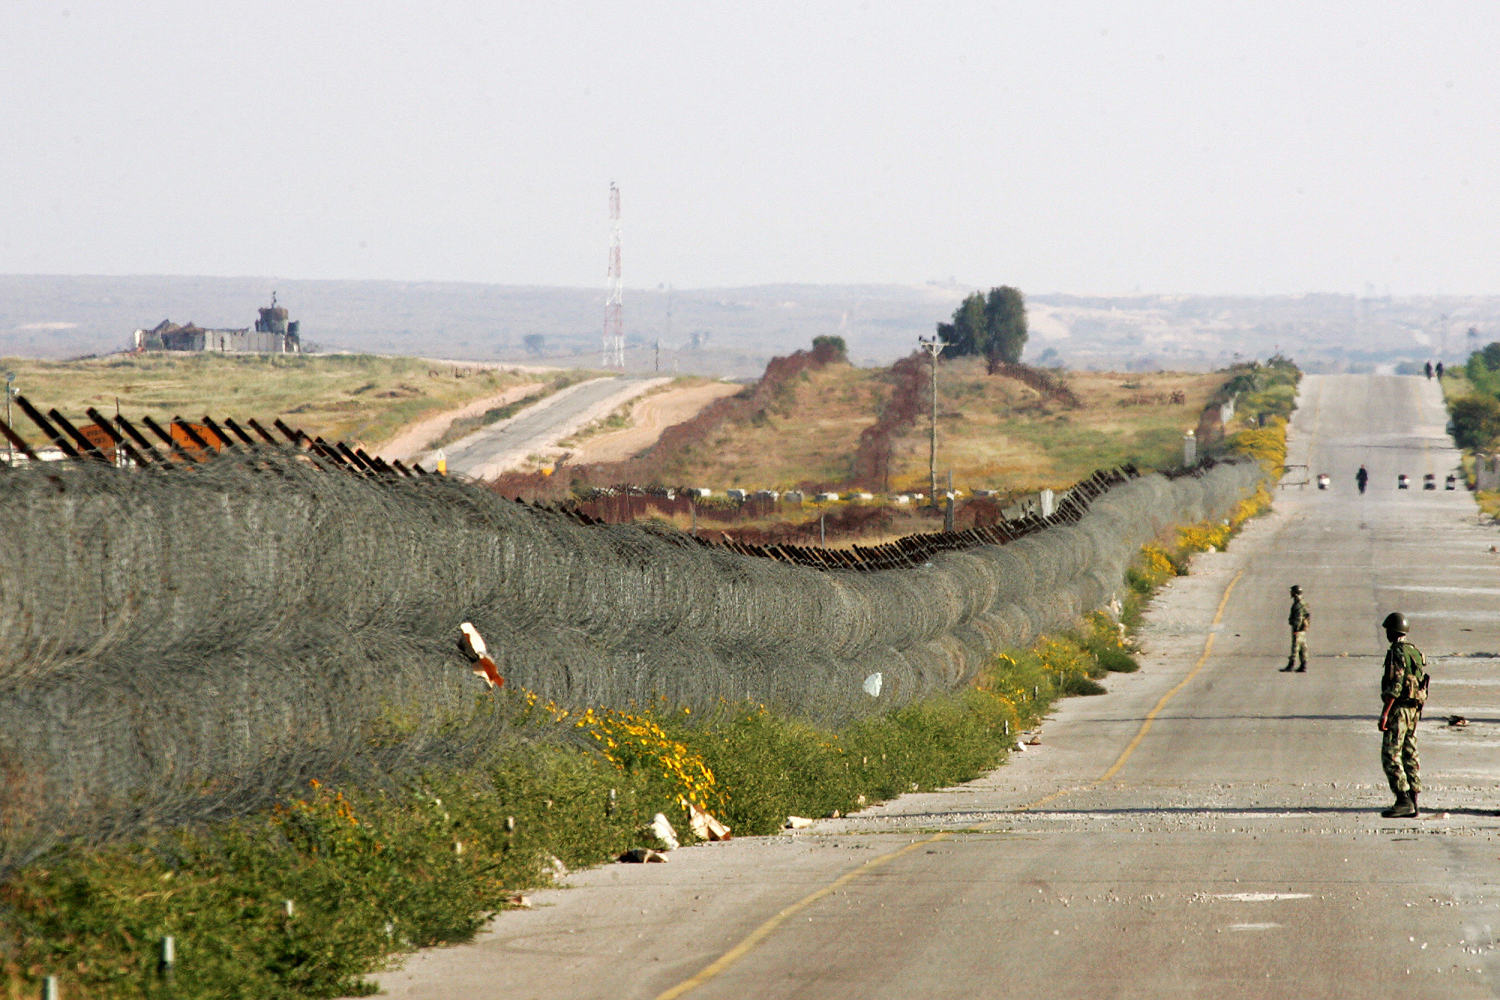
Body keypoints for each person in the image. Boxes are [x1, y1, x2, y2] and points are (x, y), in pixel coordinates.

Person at [1378, 612, 1428, 818]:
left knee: (1390, 753)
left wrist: (1385, 713)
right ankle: (1414, 798)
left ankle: (1402, 798)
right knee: (1410, 751)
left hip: (1399, 710)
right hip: (1414, 710)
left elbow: (1396, 685)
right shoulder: (1414, 652)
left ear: (1393, 631)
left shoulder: (1396, 652)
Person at [1281, 585, 1310, 672]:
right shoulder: (1303, 602)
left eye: (1292, 592)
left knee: (1295, 647)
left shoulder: (1298, 604)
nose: (1291, 593)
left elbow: (1299, 617)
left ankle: (1291, 665)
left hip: (1298, 629)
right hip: (1303, 629)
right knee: (1302, 648)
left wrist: (1296, 629)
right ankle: (1303, 665)